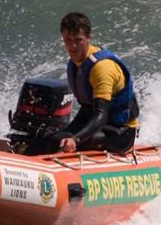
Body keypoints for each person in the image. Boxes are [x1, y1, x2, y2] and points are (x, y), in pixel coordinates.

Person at [50, 12, 140, 154]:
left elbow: (101, 116)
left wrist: (75, 139)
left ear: (88, 38)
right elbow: (87, 108)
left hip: (119, 132)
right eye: (67, 40)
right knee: (52, 140)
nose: (72, 46)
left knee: (63, 144)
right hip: (93, 124)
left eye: (78, 40)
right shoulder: (74, 64)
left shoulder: (101, 68)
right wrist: (69, 134)